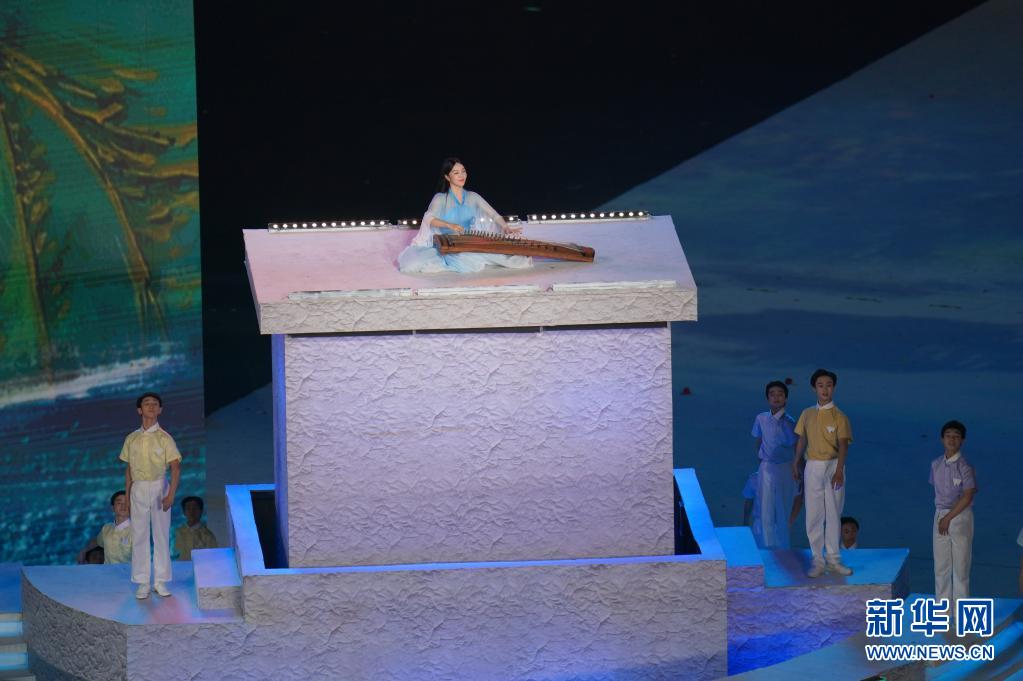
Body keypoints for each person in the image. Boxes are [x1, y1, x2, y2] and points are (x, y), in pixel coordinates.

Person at [397, 157, 533, 273]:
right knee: (411, 263)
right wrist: (449, 225)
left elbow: (493, 214)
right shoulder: (440, 198)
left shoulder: (473, 197)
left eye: (463, 171)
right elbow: (429, 218)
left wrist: (505, 227)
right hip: (445, 243)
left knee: (511, 258)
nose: (461, 175)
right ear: (447, 177)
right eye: (456, 173)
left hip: (466, 242)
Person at [793, 368, 853, 577]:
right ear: (814, 388)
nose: (825, 389)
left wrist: (839, 471)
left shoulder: (840, 416)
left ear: (833, 387)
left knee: (834, 513)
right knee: (814, 514)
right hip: (812, 466)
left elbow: (843, 445)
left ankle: (834, 560)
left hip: (834, 465)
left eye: (828, 385)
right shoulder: (807, 413)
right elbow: (802, 439)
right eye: (820, 385)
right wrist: (795, 462)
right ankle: (817, 560)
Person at [121, 391, 181, 599]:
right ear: (140, 410)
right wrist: (127, 497)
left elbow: (175, 467)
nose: (151, 406)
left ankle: (161, 581)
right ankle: (142, 582)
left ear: (160, 410)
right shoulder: (132, 438)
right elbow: (129, 470)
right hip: (138, 488)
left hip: (158, 486)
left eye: (155, 403)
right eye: (147, 403)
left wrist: (170, 495)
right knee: (139, 534)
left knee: (161, 535)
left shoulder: (165, 438)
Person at [929, 420, 976, 606]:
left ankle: (961, 610)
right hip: (940, 514)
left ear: (962, 440)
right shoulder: (935, 464)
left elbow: (968, 495)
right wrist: (943, 517)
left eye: (956, 436)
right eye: (948, 436)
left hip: (960, 516)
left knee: (961, 567)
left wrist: (948, 518)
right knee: (941, 565)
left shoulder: (965, 467)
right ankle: (943, 608)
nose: (952, 439)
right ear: (942, 439)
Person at [751, 380, 798, 548]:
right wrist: (761, 460)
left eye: (780, 394)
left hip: (785, 467)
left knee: (783, 505)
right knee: (765, 505)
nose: (776, 397)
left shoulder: (790, 422)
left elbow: (796, 446)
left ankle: (783, 545)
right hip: (766, 466)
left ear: (786, 398)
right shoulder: (761, 418)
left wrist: (797, 467)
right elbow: (759, 439)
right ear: (767, 398)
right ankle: (767, 545)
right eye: (772, 394)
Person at [77, 490, 132, 564]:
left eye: (127, 503)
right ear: (113, 508)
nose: (123, 506)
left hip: (129, 571)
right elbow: (96, 541)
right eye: (119, 503)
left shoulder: (137, 530)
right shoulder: (106, 528)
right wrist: (84, 551)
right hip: (108, 570)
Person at [173, 496, 218, 560]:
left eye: (195, 508)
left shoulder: (208, 536)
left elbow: (213, 558)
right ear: (184, 512)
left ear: (201, 511)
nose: (192, 511)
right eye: (188, 508)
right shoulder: (176, 533)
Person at [741, 470, 762, 546]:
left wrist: (745, 522)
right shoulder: (754, 478)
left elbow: (748, 502)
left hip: (760, 525)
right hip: (761, 524)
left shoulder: (754, 478)